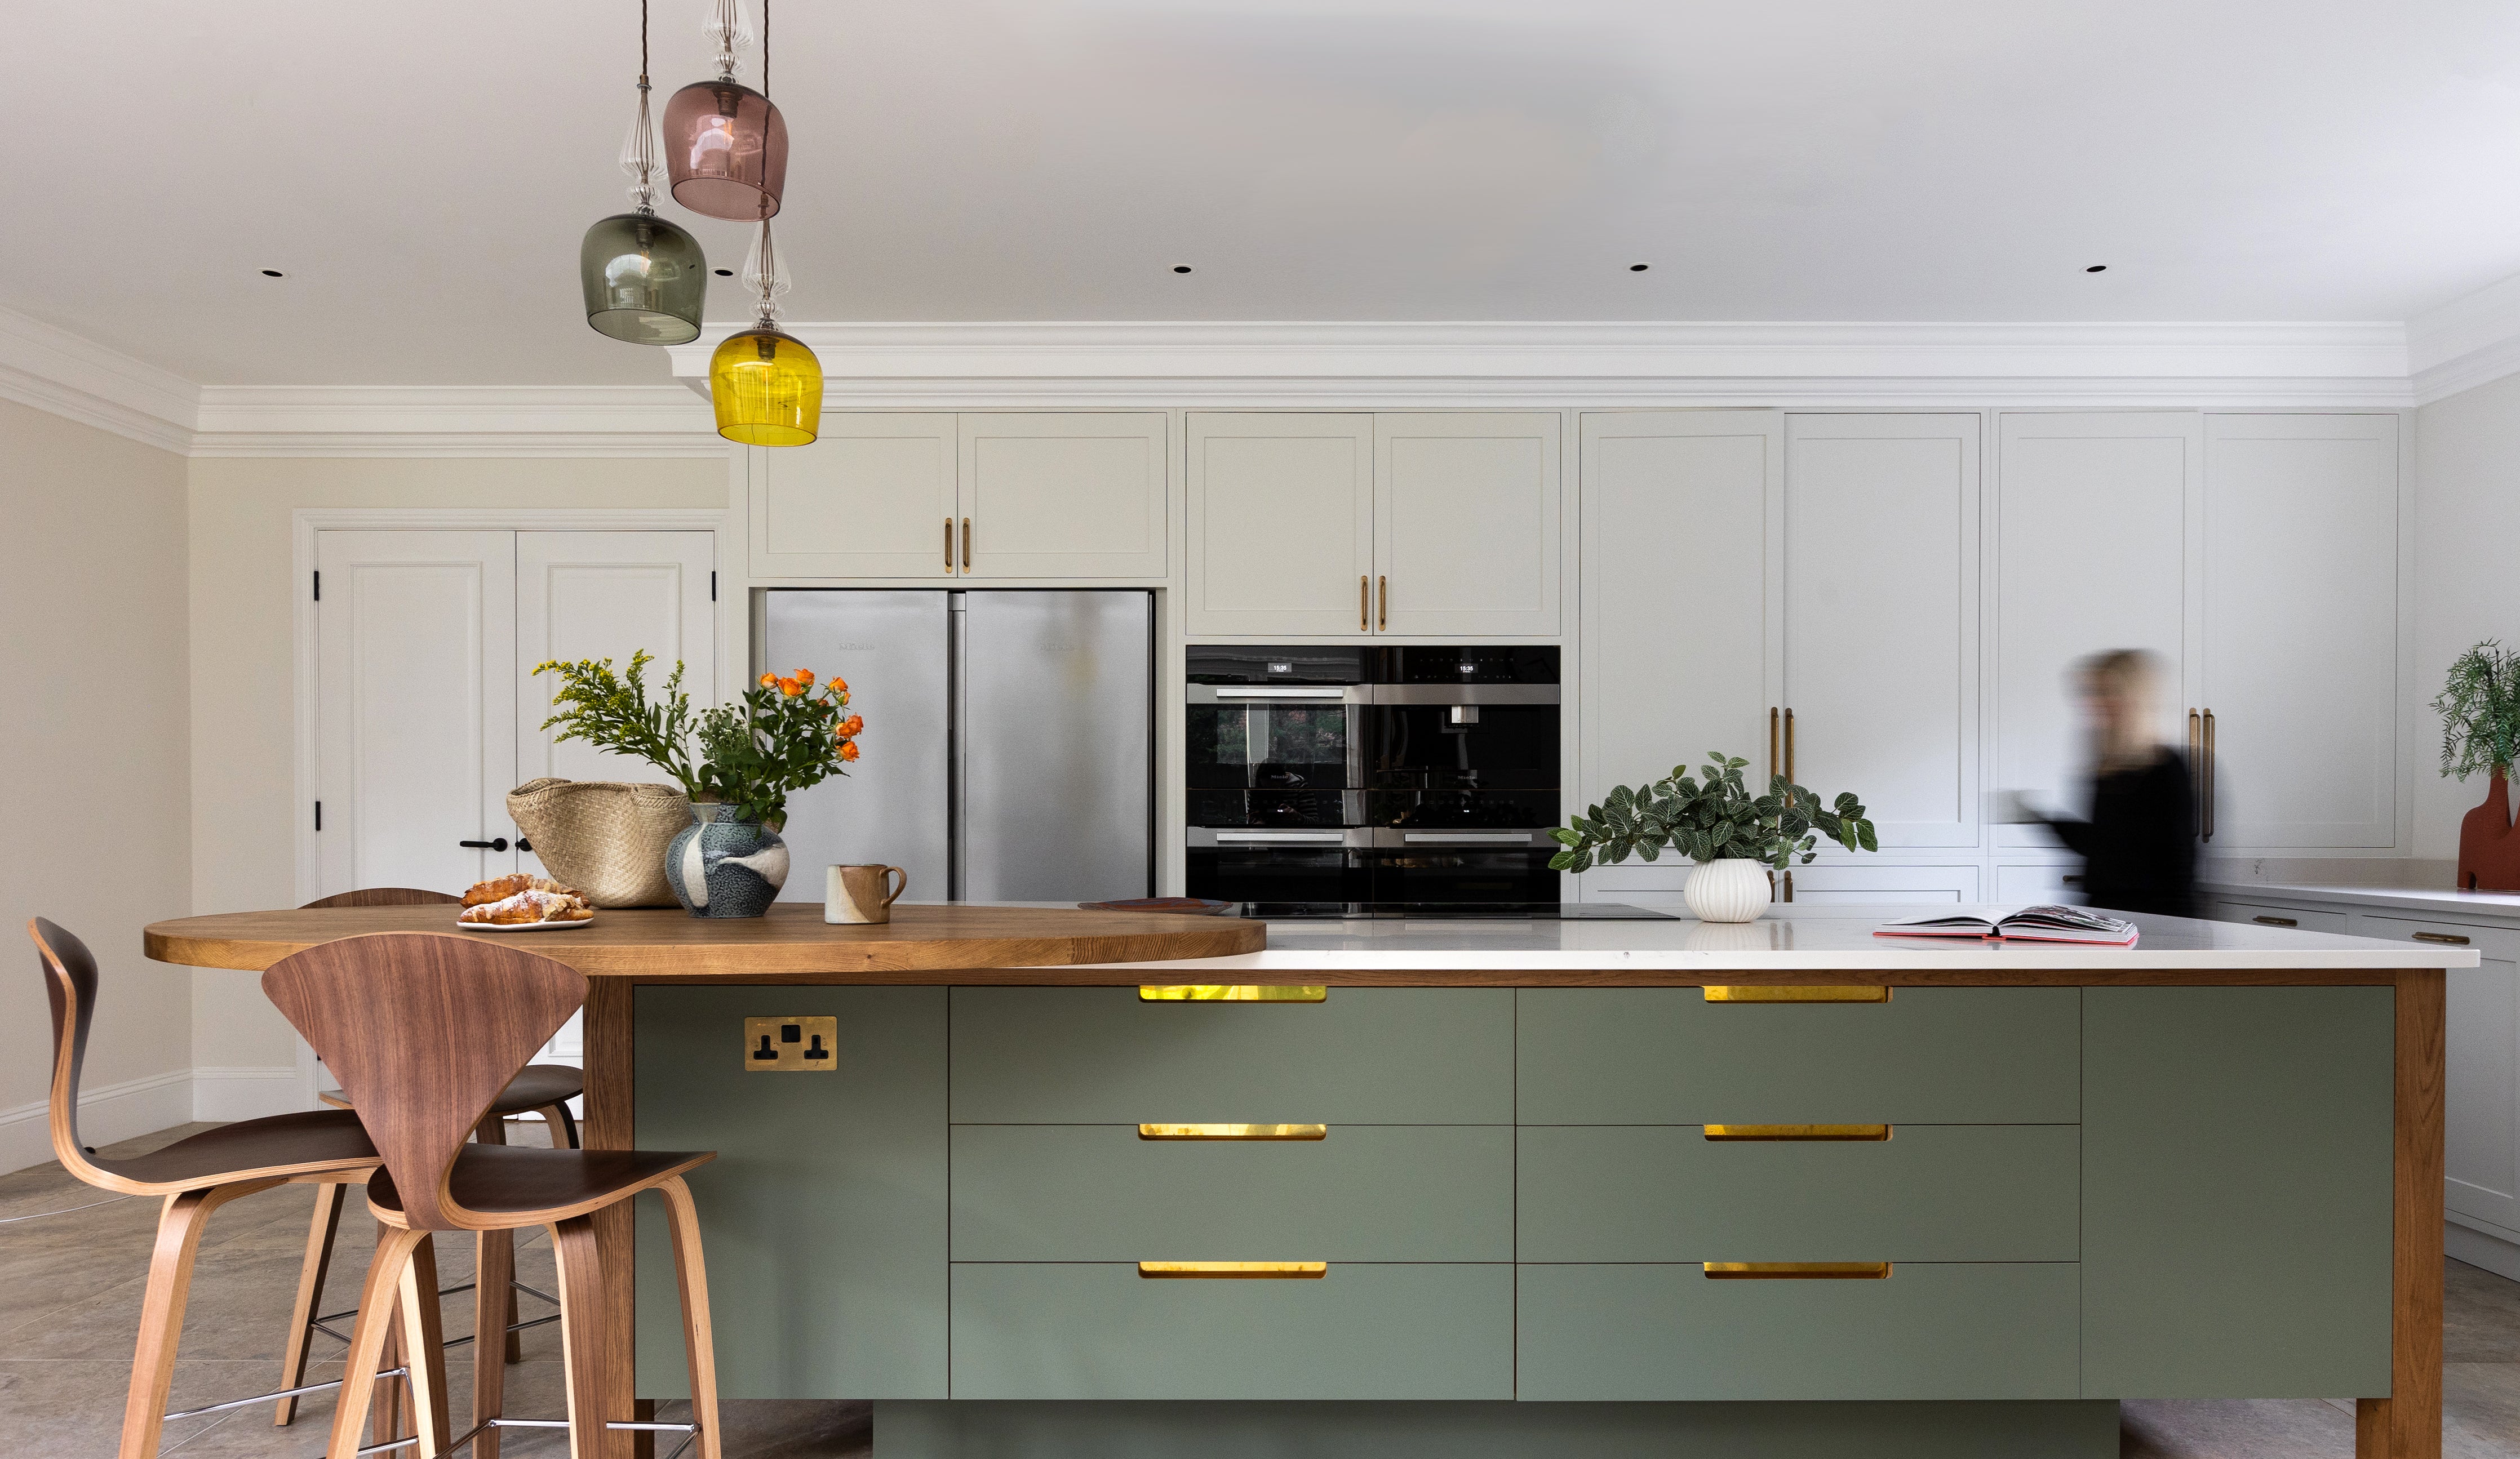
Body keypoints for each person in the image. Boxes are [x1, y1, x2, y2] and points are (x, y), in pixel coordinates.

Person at [2028, 649, 2199, 920]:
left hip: (2151, 922)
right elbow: (2103, 843)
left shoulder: (2166, 768)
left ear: (2134, 698)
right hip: (2103, 917)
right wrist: (2039, 819)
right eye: (2094, 694)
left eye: (2107, 692)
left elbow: (2178, 870)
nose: (2096, 703)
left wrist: (2176, 941)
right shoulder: (2107, 768)